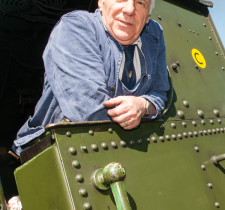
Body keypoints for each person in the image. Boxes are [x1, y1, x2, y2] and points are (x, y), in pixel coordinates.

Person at [12, 0, 169, 156]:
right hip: (55, 152)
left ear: (148, 16)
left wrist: (143, 106)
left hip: (122, 147)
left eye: (140, 3)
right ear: (101, 3)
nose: (129, 9)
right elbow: (89, 111)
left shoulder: (154, 35)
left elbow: (160, 93)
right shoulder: (75, 27)